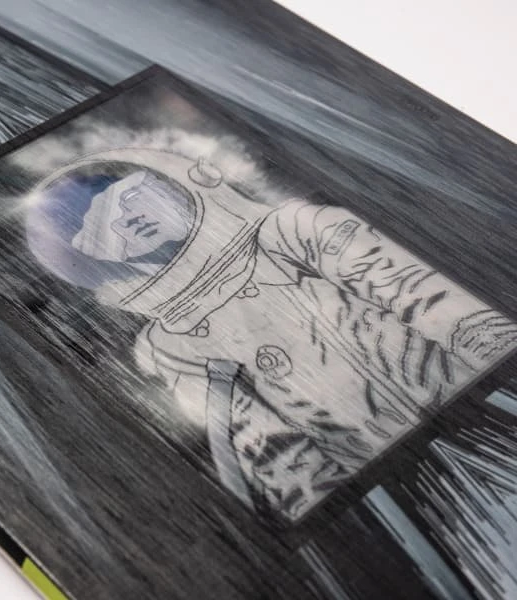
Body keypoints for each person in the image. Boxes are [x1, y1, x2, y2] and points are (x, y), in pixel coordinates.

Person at [27, 147, 517, 521]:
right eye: (108, 233)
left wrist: (501, 364)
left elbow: (421, 295)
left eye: (130, 199)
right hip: (416, 487)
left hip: (491, 399)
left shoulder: (293, 232)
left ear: (174, 181)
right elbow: (274, 455)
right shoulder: (173, 348)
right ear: (103, 265)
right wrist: (350, 514)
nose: (131, 221)